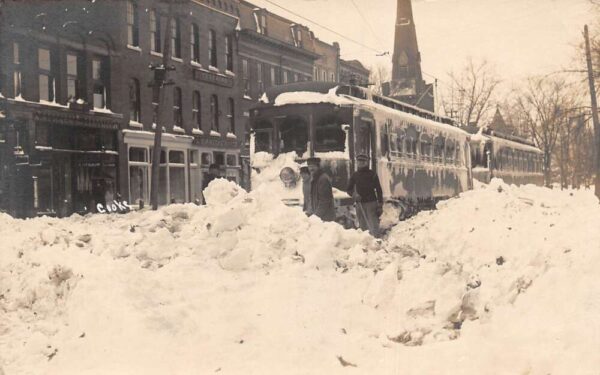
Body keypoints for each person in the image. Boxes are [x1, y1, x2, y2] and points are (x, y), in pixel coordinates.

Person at [347, 154, 383, 237]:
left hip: (371, 203)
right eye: (359, 161)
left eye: (363, 161)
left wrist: (380, 204)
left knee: (373, 225)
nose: (361, 163)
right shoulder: (355, 175)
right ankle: (365, 243)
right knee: (362, 226)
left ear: (366, 162)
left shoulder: (372, 174)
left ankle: (376, 241)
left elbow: (379, 190)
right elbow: (349, 189)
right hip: (360, 204)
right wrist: (354, 195)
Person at [307, 157, 335, 222]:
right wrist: (309, 212)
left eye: (313, 166)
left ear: (318, 167)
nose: (311, 169)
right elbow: (312, 197)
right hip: (319, 217)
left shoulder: (323, 179)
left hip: (325, 217)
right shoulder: (315, 178)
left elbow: (324, 201)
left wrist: (316, 216)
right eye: (309, 166)